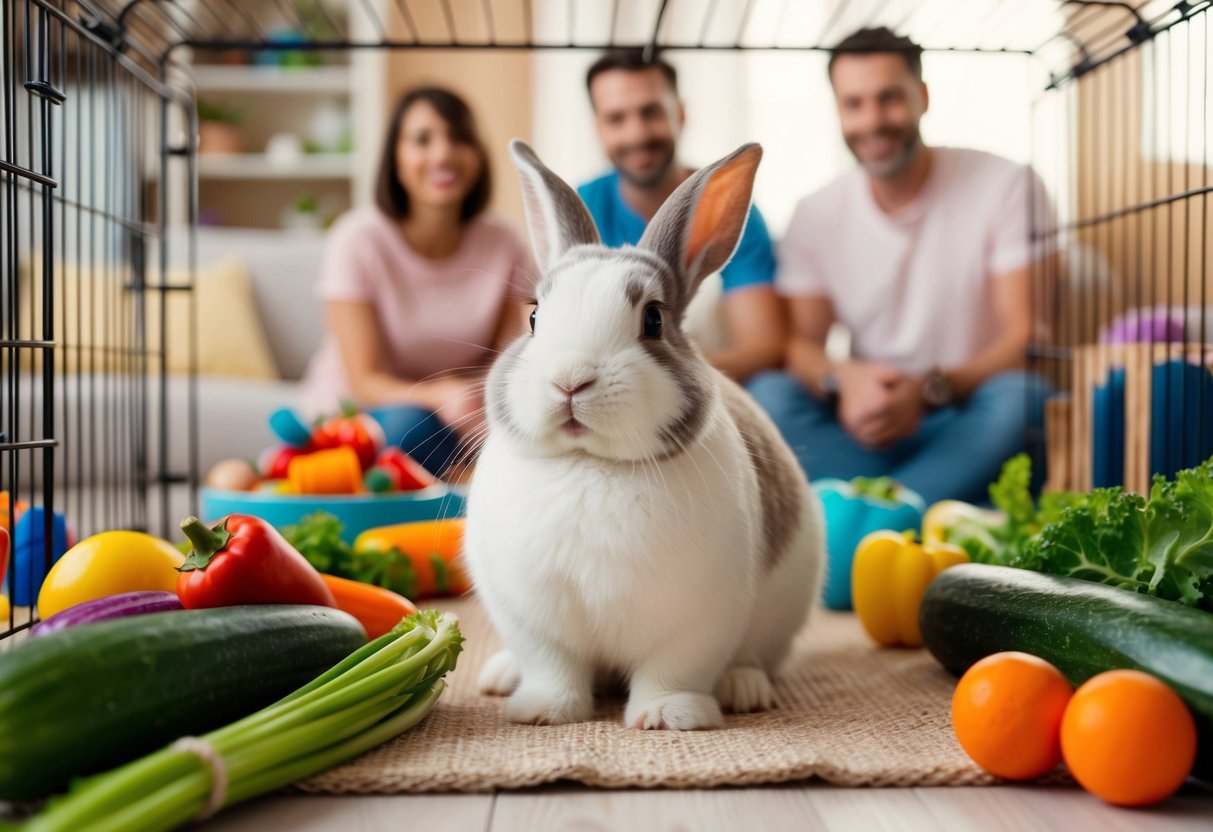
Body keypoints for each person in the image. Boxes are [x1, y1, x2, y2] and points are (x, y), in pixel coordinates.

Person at [749, 27, 1050, 505]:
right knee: (769, 395)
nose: (872, 121)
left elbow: (1027, 337)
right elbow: (802, 345)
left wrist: (930, 390)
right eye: (854, 103)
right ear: (838, 110)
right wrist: (843, 380)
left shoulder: (1007, 185)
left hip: (963, 410)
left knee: (1025, 397)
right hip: (864, 423)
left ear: (923, 97)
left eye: (889, 98)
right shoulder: (816, 212)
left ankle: (875, 510)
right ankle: (925, 496)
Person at [301, 86, 535, 476]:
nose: (443, 154)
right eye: (422, 140)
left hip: (460, 416)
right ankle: (468, 484)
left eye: (458, 138)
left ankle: (463, 482)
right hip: (365, 417)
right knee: (409, 426)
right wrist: (440, 394)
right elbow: (364, 381)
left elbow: (506, 361)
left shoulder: (504, 243)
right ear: (395, 157)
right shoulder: (357, 239)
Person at [576, 48, 784, 383]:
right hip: (608, 391)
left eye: (651, 112)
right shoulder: (584, 205)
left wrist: (671, 380)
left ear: (681, 114)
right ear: (598, 127)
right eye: (617, 118)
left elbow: (763, 345)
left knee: (776, 390)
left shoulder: (729, 204)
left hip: (710, 385)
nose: (637, 134)